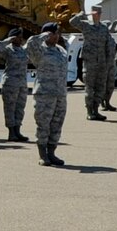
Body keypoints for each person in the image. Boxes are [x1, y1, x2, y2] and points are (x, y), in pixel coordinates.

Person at [26, 22, 70, 166]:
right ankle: (43, 155)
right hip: (44, 94)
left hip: (60, 94)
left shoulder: (61, 50)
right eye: (53, 34)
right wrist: (43, 36)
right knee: (43, 124)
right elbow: (30, 44)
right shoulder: (40, 51)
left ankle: (52, 153)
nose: (57, 36)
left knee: (57, 125)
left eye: (57, 34)